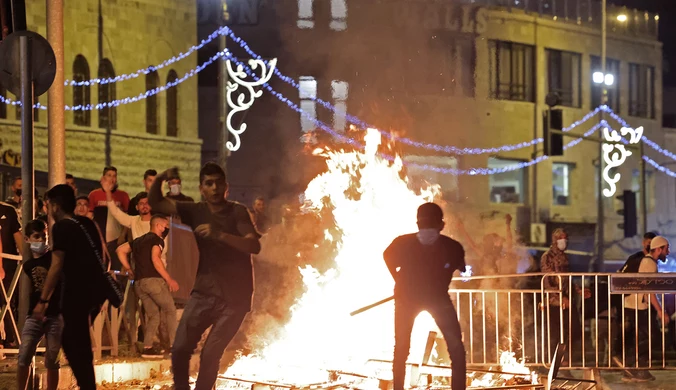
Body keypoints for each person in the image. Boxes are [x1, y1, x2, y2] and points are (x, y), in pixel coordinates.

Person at [149, 163, 261, 390]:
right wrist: (162, 177)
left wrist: (219, 235)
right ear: (201, 188)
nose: (215, 188)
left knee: (210, 353)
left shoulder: (237, 211)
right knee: (180, 349)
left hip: (235, 298)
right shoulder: (195, 210)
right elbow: (157, 202)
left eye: (219, 183)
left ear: (226, 187)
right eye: (209, 183)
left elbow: (253, 245)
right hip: (205, 292)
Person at [35, 184, 123, 390]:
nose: (48, 210)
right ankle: (87, 385)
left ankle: (87, 386)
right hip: (95, 294)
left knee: (73, 343)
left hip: (76, 294)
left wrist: (43, 300)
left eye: (48, 205)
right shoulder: (86, 223)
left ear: (56, 206)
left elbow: (56, 266)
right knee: (79, 344)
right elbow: (104, 257)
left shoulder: (61, 227)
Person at [383, 202, 466, 390]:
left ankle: (398, 388)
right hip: (438, 300)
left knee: (401, 349)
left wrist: (398, 279)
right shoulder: (452, 246)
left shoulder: (401, 243)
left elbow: (387, 256)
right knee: (456, 349)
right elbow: (461, 267)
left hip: (406, 299)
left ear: (417, 223)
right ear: (441, 224)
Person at [117, 215, 178, 358]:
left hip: (139, 283)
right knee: (170, 310)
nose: (166, 228)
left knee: (153, 315)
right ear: (158, 226)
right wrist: (169, 279)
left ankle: (148, 348)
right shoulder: (157, 240)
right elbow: (155, 259)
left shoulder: (138, 241)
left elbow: (120, 250)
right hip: (154, 281)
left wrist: (129, 269)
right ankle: (175, 347)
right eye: (165, 226)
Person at [613, 236, 670, 382]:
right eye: (666, 248)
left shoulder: (648, 262)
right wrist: (660, 310)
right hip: (637, 307)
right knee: (654, 338)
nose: (668, 252)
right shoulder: (650, 263)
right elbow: (649, 291)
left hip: (635, 306)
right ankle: (630, 361)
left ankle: (637, 371)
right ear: (658, 249)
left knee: (646, 338)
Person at [17, 219, 63, 390]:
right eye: (36, 237)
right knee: (24, 355)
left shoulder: (54, 258)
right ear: (27, 239)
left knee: (52, 359)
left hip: (55, 314)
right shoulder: (28, 265)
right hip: (34, 314)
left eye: (43, 236)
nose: (41, 241)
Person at [541, 228, 588, 365]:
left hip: (567, 301)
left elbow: (568, 279)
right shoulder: (547, 256)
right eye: (561, 238)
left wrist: (579, 290)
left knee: (574, 330)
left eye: (565, 238)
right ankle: (554, 363)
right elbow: (547, 281)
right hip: (554, 303)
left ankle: (565, 359)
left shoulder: (564, 256)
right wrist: (561, 297)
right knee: (555, 334)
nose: (564, 241)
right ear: (555, 239)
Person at [88, 166, 130, 270]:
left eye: (114, 176)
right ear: (103, 177)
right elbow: (90, 216)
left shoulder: (123, 195)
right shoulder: (94, 195)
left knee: (116, 268)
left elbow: (127, 218)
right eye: (109, 175)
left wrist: (123, 235)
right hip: (99, 238)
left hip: (116, 239)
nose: (112, 178)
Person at [0, 200, 22, 348]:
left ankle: (9, 340)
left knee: (6, 301)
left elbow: (18, 238)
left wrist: (25, 260)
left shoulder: (8, 210)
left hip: (8, 266)